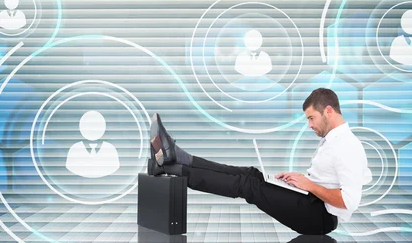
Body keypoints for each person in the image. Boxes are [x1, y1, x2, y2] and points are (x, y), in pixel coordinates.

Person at [148, 88, 372, 234]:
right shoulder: (334, 140)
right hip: (310, 201)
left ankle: (174, 168)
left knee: (248, 186)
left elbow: (349, 201)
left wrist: (310, 185)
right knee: (251, 173)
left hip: (319, 218)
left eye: (311, 118)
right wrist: (299, 180)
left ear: (329, 111)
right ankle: (179, 157)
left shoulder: (347, 145)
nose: (310, 125)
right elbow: (327, 180)